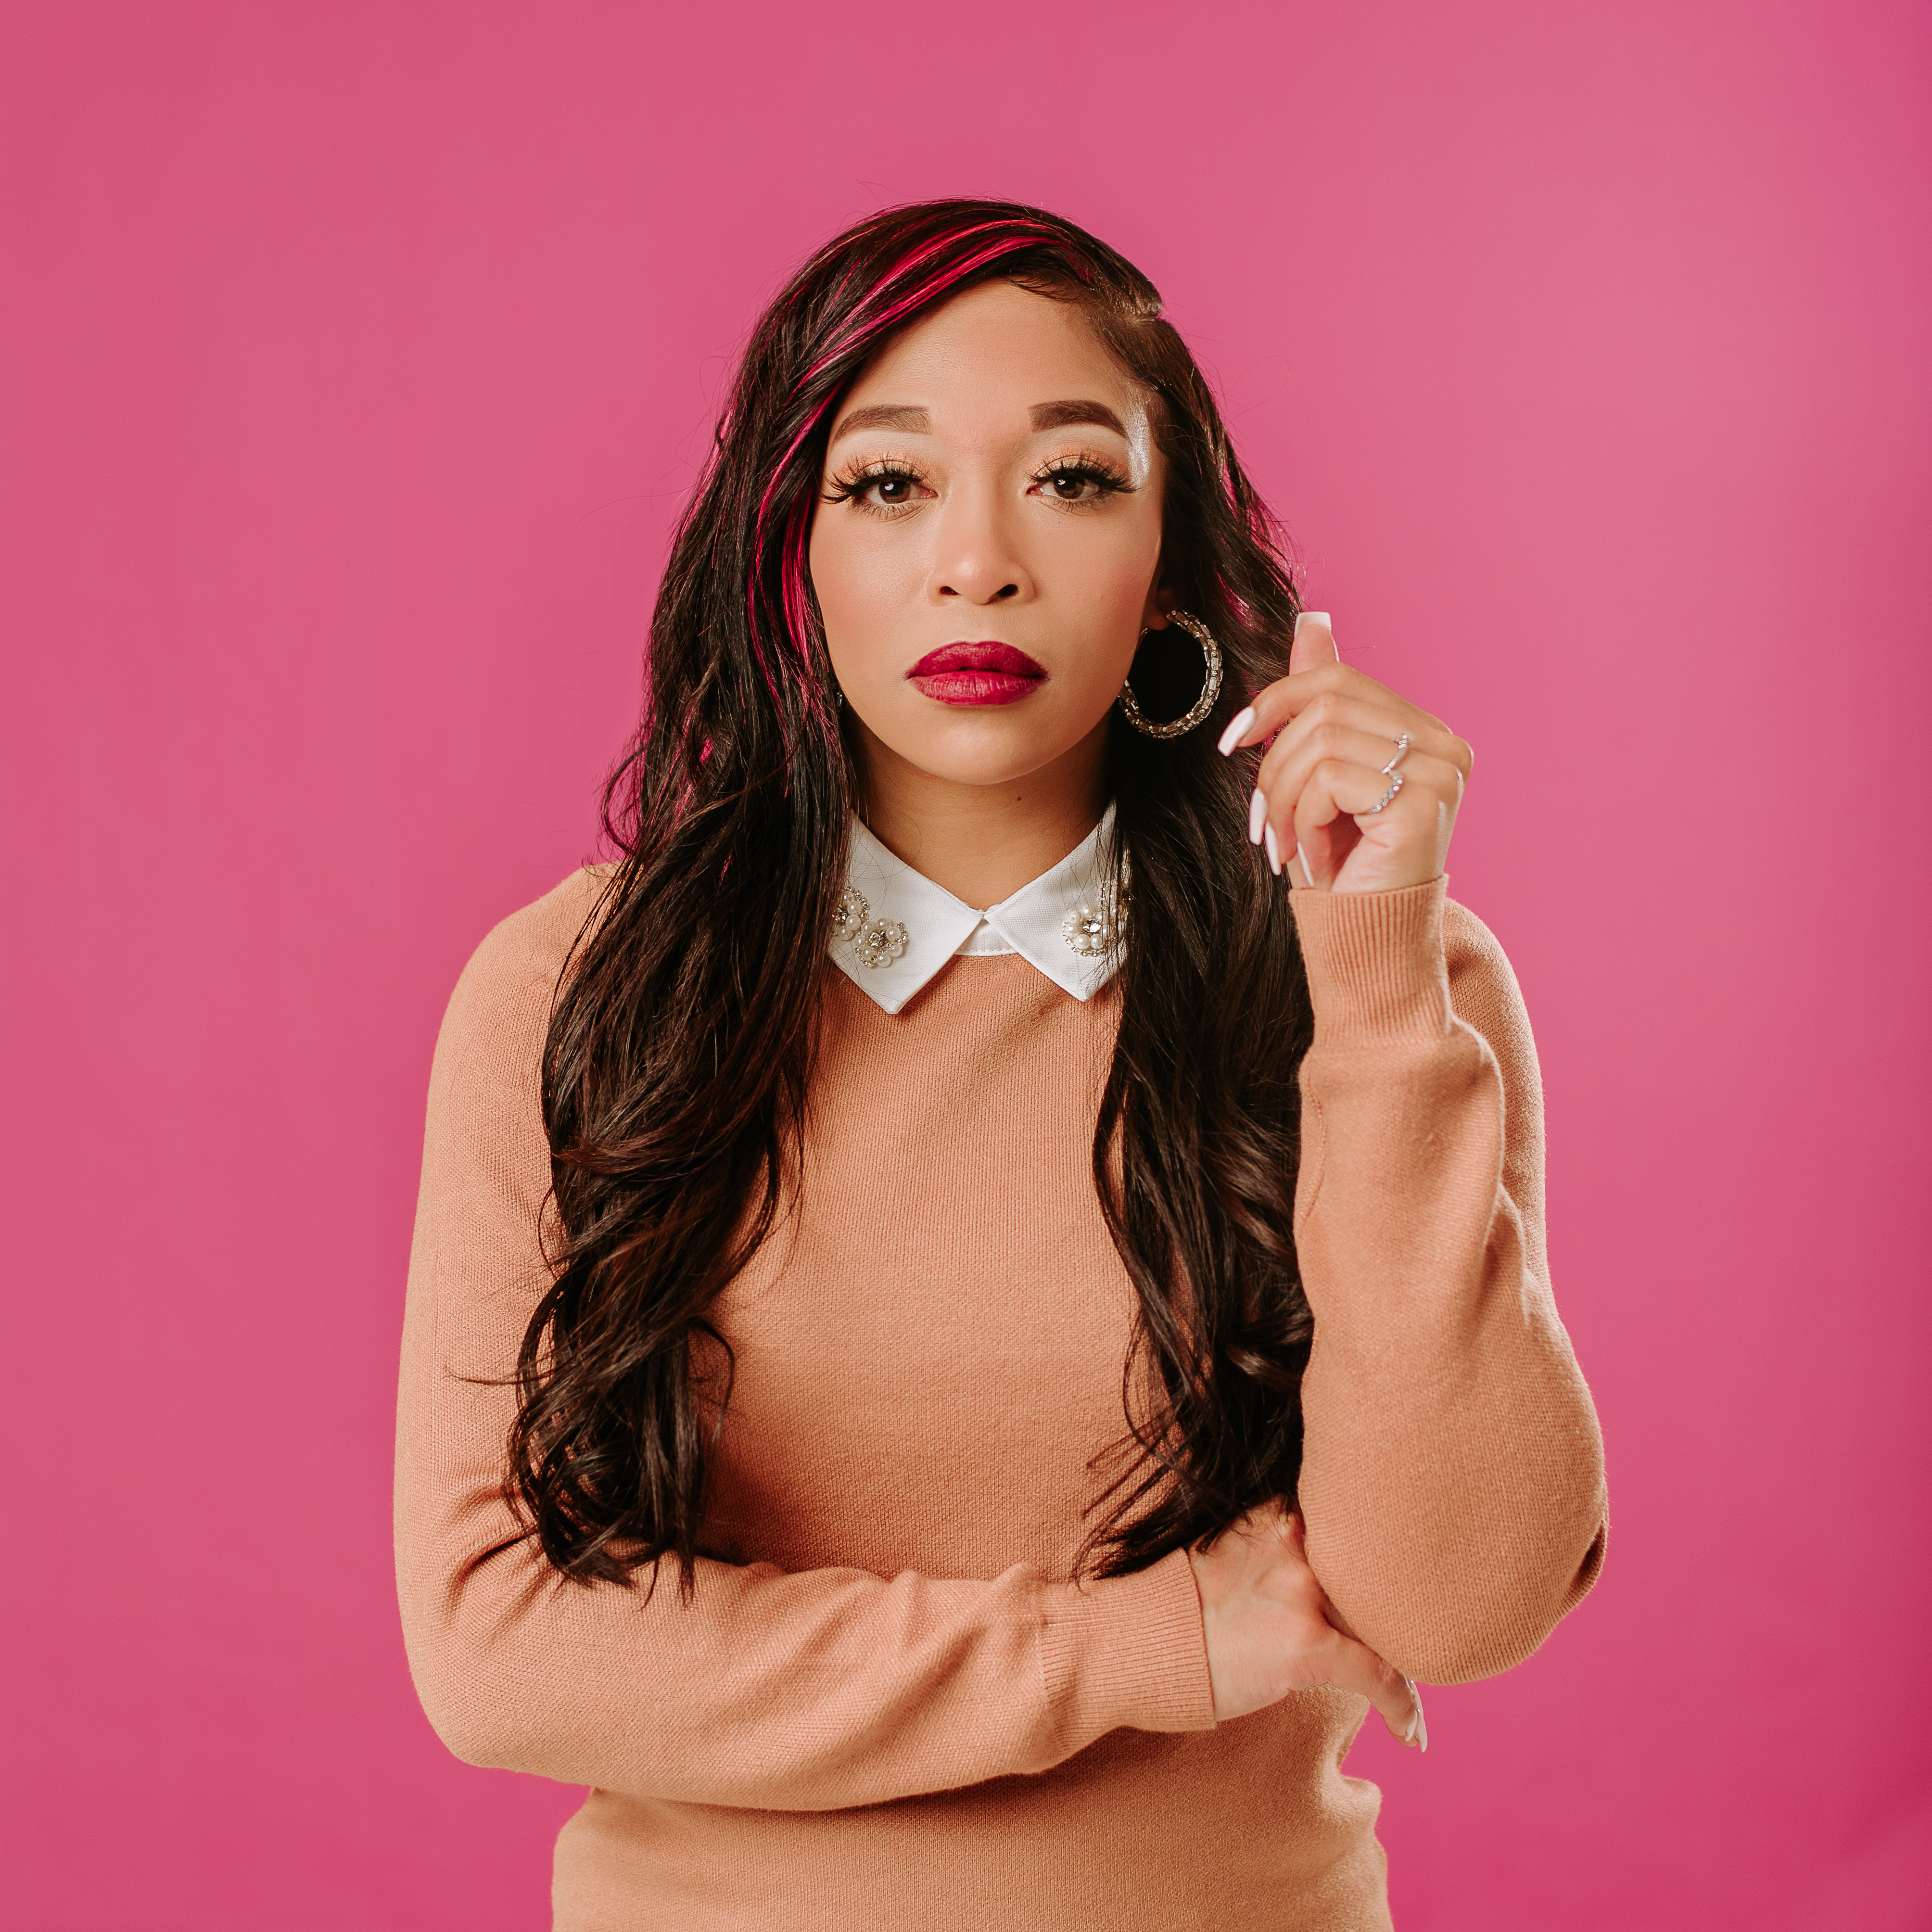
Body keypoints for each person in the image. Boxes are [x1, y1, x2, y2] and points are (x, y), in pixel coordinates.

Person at [394, 199, 1607, 1930]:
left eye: (1072, 477)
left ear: (1173, 557)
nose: (980, 563)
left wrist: (1374, 969)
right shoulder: (578, 998)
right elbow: (498, 1647)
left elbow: (1464, 1602)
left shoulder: (1380, 983)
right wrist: (1146, 1645)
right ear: (787, 557)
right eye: (889, 486)